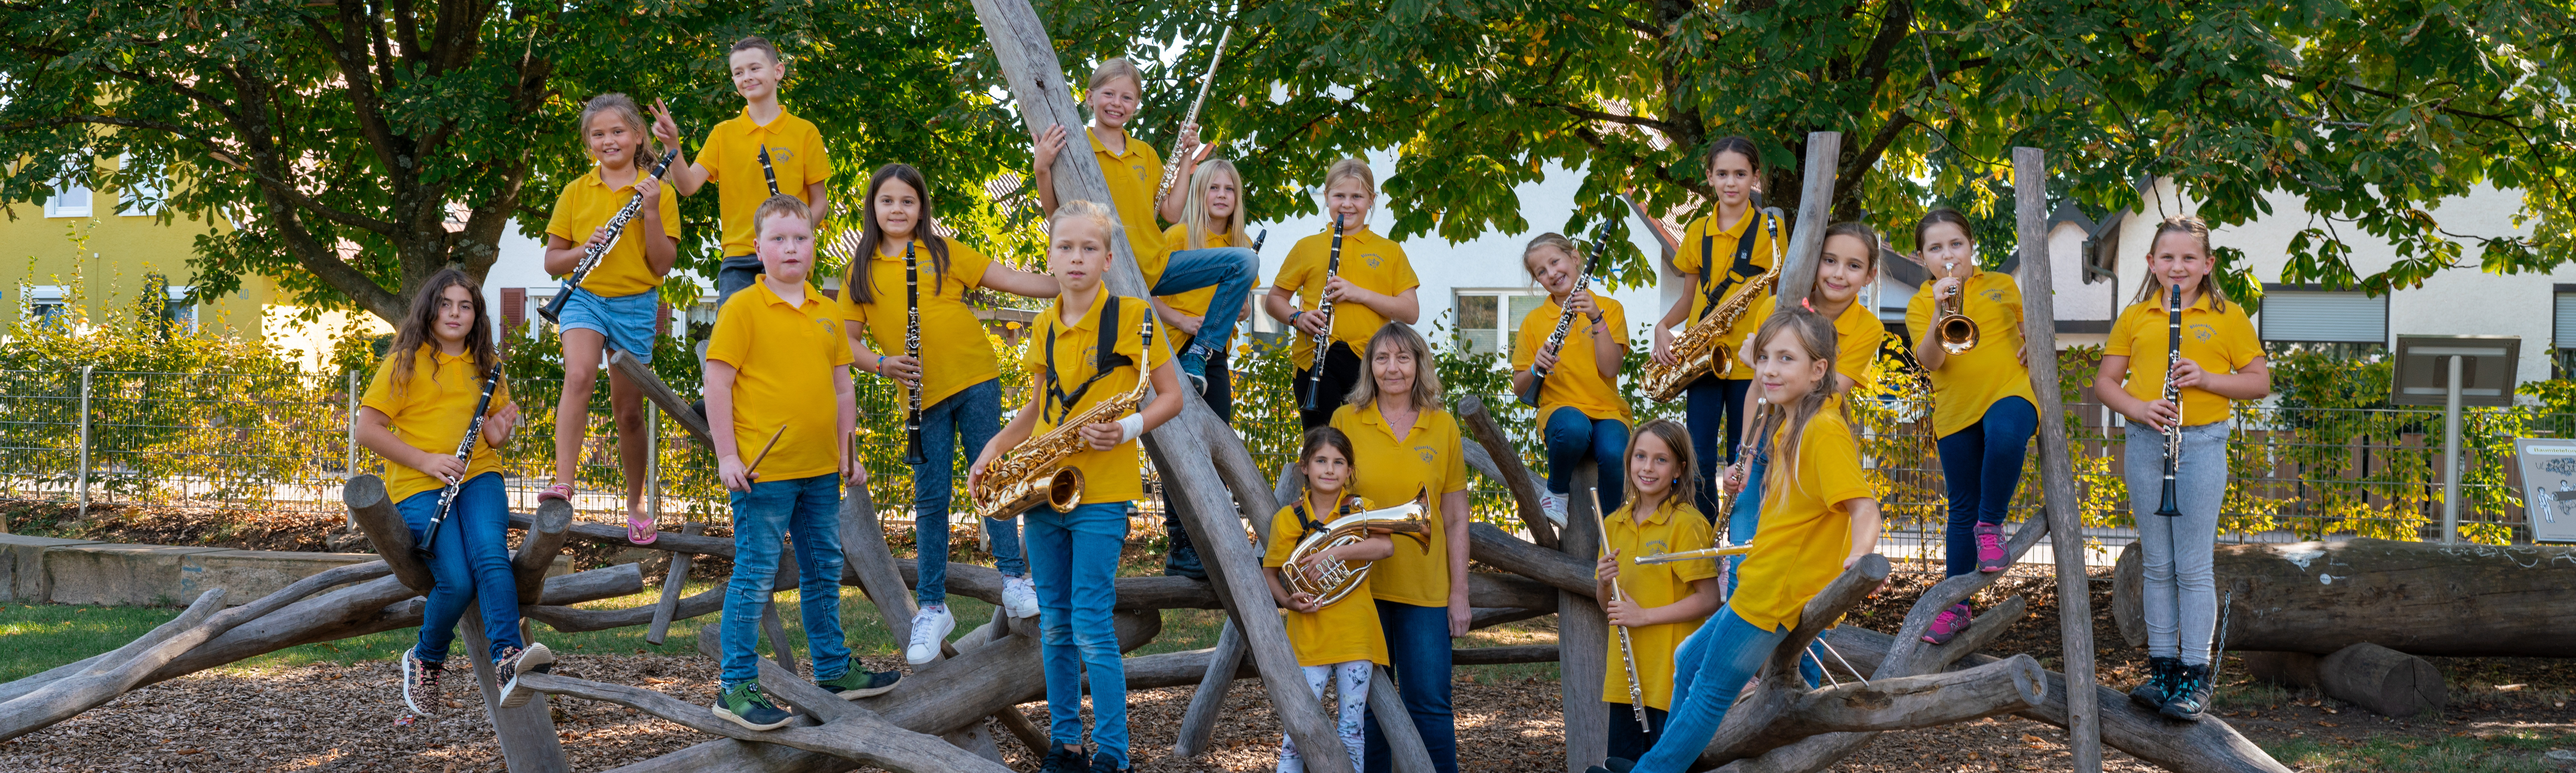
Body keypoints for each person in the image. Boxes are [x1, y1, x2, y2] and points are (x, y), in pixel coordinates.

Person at [1596, 309, 1884, 773]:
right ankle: (1666, 763)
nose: (1769, 369)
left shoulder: (1823, 429)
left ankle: (1652, 770)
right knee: (1689, 659)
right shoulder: (1791, 423)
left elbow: (1864, 507)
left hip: (1776, 593)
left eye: (1786, 358)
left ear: (1818, 370)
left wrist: (1858, 555)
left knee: (1709, 689)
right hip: (1761, 582)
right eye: (1765, 357)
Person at [969, 199, 1186, 773]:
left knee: (1091, 621)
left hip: (1103, 491)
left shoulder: (1134, 315)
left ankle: (1114, 752)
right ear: (1050, 258)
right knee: (1057, 624)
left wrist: (1128, 428)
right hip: (1045, 491)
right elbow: (1036, 410)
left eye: (1090, 248)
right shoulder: (1044, 324)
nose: (1077, 257)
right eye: (1065, 247)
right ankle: (1066, 745)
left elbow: (1172, 397)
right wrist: (993, 450)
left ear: (1108, 259)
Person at [836, 163, 1060, 663]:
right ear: (874, 207)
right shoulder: (860, 270)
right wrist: (883, 364)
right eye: (888, 201)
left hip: (976, 377)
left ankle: (1014, 579)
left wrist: (1072, 278)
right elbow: (847, 342)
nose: (898, 209)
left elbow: (1013, 280)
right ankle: (933, 607)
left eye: (908, 201)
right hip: (921, 396)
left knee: (993, 477)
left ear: (922, 208)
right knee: (932, 500)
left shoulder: (943, 251)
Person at [702, 195, 888, 731]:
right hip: (763, 476)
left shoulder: (827, 312)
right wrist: (728, 455)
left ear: (813, 246)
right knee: (756, 574)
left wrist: (849, 454)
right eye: (779, 239)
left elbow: (843, 388)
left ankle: (833, 669)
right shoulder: (742, 309)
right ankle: (735, 687)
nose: (791, 248)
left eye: (800, 238)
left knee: (824, 568)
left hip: (821, 471)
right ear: (758, 249)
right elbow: (717, 383)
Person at [2094, 214, 2267, 722]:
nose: (2178, 266)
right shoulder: (2137, 315)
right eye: (2167, 257)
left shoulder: (2228, 316)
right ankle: (2163, 669)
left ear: (2208, 264)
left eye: (2189, 257)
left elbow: (2258, 381)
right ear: (2152, 262)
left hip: (2203, 442)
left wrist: (2208, 379)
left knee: (2192, 567)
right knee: (2157, 565)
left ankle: (2195, 674)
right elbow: (2106, 382)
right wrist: (2139, 407)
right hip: (2147, 441)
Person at [359, 269, 554, 716]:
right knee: (457, 580)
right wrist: (428, 461)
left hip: (479, 474)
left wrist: (497, 433)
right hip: (420, 482)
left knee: (491, 553)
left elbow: (491, 432)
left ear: (476, 315)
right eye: (445, 304)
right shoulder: (405, 362)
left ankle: (508, 658)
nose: (455, 313)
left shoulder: (487, 365)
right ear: (429, 309)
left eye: (465, 306)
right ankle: (426, 658)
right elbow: (367, 430)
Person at [1029, 58, 1258, 389]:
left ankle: (1199, 352)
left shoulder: (1145, 154)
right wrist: (1042, 169)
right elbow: (1056, 216)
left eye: (1127, 98)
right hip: (1110, 273)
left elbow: (1172, 212)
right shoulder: (1075, 147)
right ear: (1090, 97)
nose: (1117, 104)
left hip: (1156, 266)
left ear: (1136, 105)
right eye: (1109, 94)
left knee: (1245, 262)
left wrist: (1185, 156)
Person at [539, 93, 681, 544]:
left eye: (618, 131)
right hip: (583, 296)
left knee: (628, 413)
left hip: (636, 304)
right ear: (589, 143)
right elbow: (553, 262)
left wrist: (651, 210)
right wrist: (585, 249)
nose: (609, 140)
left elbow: (662, 265)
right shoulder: (575, 191)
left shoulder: (660, 191)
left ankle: (636, 504)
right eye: (598, 134)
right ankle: (564, 484)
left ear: (638, 136)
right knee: (579, 375)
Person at [1328, 323, 1470, 773]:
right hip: (1359, 588)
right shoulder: (1345, 420)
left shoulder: (1442, 425)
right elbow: (1329, 498)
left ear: (1418, 365)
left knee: (1430, 705)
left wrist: (1459, 593)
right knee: (1368, 709)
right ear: (1370, 367)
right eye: (1383, 358)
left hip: (1425, 590)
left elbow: (1455, 517)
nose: (1393, 368)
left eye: (1403, 358)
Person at [1722, 222, 1886, 587]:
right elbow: (1758, 391)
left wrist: (1763, 364)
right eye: (1829, 260)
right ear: (1815, 261)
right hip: (1761, 442)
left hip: (1805, 450)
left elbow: (1827, 391)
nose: (1838, 274)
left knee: (1792, 563)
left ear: (1870, 275)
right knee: (1741, 559)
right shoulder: (1775, 306)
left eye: (1853, 266)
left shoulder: (1869, 328)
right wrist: (1745, 457)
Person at [1903, 208, 2038, 645]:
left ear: (1971, 245)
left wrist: (2035, 345)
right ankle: (1955, 608)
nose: (1948, 255)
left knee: (2006, 436)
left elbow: (2031, 333)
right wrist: (1938, 309)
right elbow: (1931, 360)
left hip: (2010, 391)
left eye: (1956, 244)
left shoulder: (2002, 285)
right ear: (1921, 257)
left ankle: (1991, 524)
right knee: (1961, 507)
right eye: (1935, 248)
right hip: (1955, 410)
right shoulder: (1920, 302)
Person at [649, 35, 831, 305]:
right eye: (738, 72)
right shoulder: (723, 133)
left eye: (755, 68)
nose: (747, 77)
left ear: (778, 71)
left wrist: (794, 234)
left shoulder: (805, 132)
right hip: (739, 257)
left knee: (786, 329)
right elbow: (687, 187)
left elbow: (820, 202)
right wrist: (672, 144)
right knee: (734, 329)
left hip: (789, 253)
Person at [1652, 136, 1777, 524]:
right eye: (1722, 174)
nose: (1730, 182)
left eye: (1740, 174)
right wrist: (1662, 327)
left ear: (1755, 177)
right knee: (1699, 457)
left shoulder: (1769, 231)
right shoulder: (1696, 231)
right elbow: (1689, 298)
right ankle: (1702, 531)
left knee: (1745, 456)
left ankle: (1738, 536)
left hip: (1750, 361)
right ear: (1709, 177)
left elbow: (1779, 296)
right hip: (1702, 359)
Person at [1152, 158, 1260, 580]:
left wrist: (1242, 307)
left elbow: (1241, 305)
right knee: (1178, 450)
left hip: (1214, 356)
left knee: (1215, 446)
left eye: (1229, 189)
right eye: (1213, 187)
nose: (1221, 195)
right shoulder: (1178, 236)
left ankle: (1211, 541)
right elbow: (1144, 291)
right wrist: (1182, 321)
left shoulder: (1242, 243)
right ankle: (1180, 545)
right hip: (1175, 351)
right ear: (1199, 193)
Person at [1263, 426, 1394, 773]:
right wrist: (1289, 602)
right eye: (1321, 461)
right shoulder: (1288, 519)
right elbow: (1270, 574)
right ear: (1305, 466)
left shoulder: (1361, 510)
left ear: (1349, 471)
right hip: (1308, 635)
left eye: (1338, 462)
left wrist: (1334, 552)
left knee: (1352, 731)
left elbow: (1386, 546)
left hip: (1355, 636)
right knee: (1297, 734)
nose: (1329, 469)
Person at [1592, 419, 1720, 762]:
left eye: (1660, 460)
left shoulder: (1687, 524)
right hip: (1626, 679)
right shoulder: (1612, 524)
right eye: (1640, 457)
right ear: (1629, 461)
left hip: (1669, 681)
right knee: (1621, 766)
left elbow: (1710, 599)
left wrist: (1644, 616)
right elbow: (1607, 605)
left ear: (1679, 469)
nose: (1647, 468)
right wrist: (1604, 583)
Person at [1269, 159, 1423, 431]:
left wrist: (1359, 294)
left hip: (1371, 363)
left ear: (1372, 200)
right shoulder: (1307, 247)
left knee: (1368, 444)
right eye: (1340, 196)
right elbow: (1274, 301)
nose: (1348, 205)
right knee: (1323, 446)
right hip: (1314, 360)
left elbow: (1411, 312)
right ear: (1327, 197)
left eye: (1357, 197)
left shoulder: (1390, 251)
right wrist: (1298, 318)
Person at [1511, 232, 1631, 523]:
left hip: (1607, 411)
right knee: (1574, 428)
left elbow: (1610, 369)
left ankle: (1614, 526)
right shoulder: (1534, 322)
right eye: (1542, 271)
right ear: (1537, 280)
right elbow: (1519, 388)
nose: (1552, 273)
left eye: (1556, 262)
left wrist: (1597, 318)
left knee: (1616, 451)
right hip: (1561, 412)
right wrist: (1535, 367)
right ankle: (1556, 492)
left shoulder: (1610, 308)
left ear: (1575, 258)